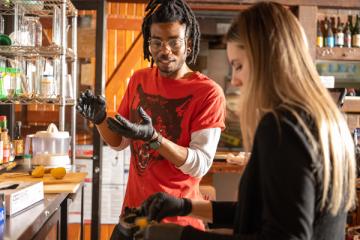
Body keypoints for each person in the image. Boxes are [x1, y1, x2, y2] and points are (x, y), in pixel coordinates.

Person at [137, 2, 357, 240]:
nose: (235, 80)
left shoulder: (282, 127)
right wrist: (186, 207)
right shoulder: (323, 119)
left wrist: (182, 236)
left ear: (266, 59)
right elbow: (262, 214)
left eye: (239, 66)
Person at [76, 0, 226, 233]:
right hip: (133, 218)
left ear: (187, 43)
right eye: (156, 42)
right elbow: (120, 142)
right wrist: (100, 120)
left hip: (175, 226)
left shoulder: (208, 93)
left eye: (174, 42)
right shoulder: (139, 80)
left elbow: (200, 165)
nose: (165, 50)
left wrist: (155, 138)